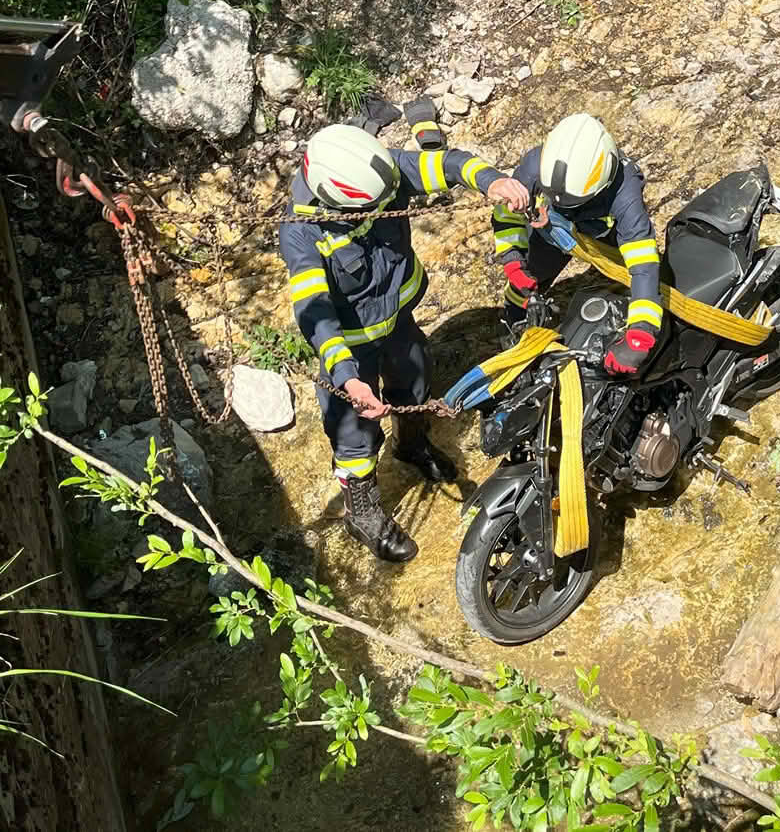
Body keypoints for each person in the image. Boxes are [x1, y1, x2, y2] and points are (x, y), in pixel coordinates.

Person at [280, 124, 529, 562]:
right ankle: (361, 511)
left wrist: (491, 181)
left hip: (397, 322)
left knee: (415, 385)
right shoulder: (302, 233)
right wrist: (348, 379)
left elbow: (448, 164)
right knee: (353, 434)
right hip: (350, 350)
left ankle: (410, 445)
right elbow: (315, 315)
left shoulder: (382, 173)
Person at [490, 113, 664, 375]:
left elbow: (643, 265)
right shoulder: (536, 165)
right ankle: (514, 322)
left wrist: (641, 333)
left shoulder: (625, 193)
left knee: (635, 287)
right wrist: (513, 258)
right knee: (525, 283)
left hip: (605, 237)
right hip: (553, 231)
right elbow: (506, 214)